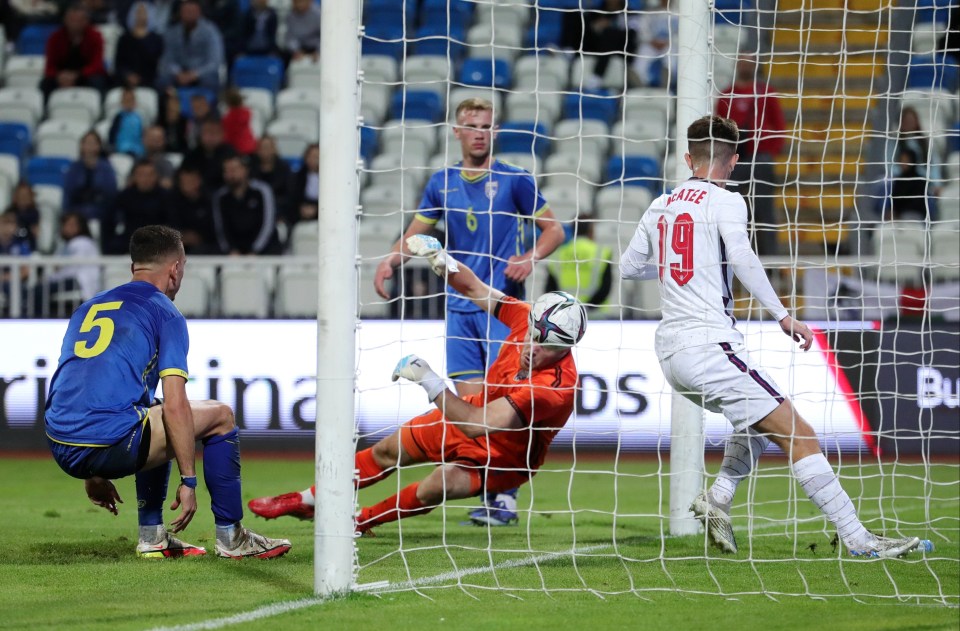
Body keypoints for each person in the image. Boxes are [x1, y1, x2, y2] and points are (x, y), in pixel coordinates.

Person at [619, 114, 921, 558]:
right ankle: (859, 539)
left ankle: (719, 496)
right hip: (709, 345)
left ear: (688, 157)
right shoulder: (726, 200)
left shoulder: (659, 204)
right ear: (735, 161)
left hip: (670, 352)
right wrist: (782, 314)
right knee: (800, 433)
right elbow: (742, 255)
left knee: (757, 419)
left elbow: (628, 268)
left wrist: (678, 270)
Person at [248, 234, 587, 534]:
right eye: (532, 336)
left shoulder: (554, 388)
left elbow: (475, 428)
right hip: (471, 412)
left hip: (506, 458)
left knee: (437, 485)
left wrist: (429, 379)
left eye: (546, 347)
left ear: (566, 348)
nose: (533, 347)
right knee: (385, 451)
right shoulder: (523, 317)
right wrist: (442, 260)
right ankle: (309, 500)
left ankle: (361, 521)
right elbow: (474, 289)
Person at [373, 98, 566, 526]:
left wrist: (531, 257)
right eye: (471, 125)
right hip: (459, 311)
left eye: (486, 125)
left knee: (502, 406)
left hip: (501, 309)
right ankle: (488, 488)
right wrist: (390, 261)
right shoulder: (441, 183)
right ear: (456, 132)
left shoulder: (515, 180)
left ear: (495, 132)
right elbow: (415, 236)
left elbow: (555, 230)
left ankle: (505, 498)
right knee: (471, 404)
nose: (479, 131)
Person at [44, 225, 291, 559]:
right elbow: (177, 405)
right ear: (175, 269)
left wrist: (91, 472)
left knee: (150, 411)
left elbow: (81, 388)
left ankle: (153, 536)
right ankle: (231, 538)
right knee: (220, 416)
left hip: (60, 443)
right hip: (108, 443)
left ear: (135, 267)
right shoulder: (164, 312)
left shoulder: (87, 308)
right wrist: (188, 482)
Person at [715, 54, 785, 257]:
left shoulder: (766, 92)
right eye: (742, 61)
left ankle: (771, 261)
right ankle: (729, 257)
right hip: (734, 162)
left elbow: (779, 125)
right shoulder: (726, 95)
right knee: (731, 211)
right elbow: (719, 129)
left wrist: (770, 151)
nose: (746, 64)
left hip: (761, 159)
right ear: (737, 64)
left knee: (765, 211)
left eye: (749, 61)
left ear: (755, 65)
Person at [27, 212, 100, 317]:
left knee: (39, 290)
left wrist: (52, 277)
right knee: (37, 289)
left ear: (81, 226)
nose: (67, 228)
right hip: (69, 280)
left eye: (72, 225)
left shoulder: (82, 243)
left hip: (79, 282)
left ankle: (36, 319)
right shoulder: (65, 245)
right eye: (65, 225)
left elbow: (71, 270)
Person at [211, 155, 281, 255]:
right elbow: (220, 228)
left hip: (263, 249)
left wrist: (255, 250)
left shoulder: (262, 191)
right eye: (226, 171)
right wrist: (231, 250)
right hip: (233, 251)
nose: (230, 174)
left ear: (245, 170)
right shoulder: (220, 197)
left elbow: (267, 224)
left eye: (234, 169)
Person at [101, 160, 174, 254]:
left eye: (150, 175)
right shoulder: (124, 196)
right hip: (131, 239)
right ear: (134, 177)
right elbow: (108, 220)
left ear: (156, 177)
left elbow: (172, 222)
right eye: (141, 174)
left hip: (159, 240)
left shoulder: (166, 197)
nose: (146, 179)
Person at [545, 217, 613, 314]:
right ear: (591, 231)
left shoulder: (558, 253)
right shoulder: (602, 252)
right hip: (596, 314)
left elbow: (550, 289)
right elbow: (606, 287)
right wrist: (586, 308)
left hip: (564, 314)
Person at [40, 4, 108, 100]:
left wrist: (77, 75)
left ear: (86, 21)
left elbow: (97, 65)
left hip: (85, 75)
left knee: (98, 81)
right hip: (62, 74)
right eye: (71, 20)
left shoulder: (95, 36)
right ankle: (46, 111)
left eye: (78, 21)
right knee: (46, 83)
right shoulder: (55, 38)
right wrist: (59, 76)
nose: (74, 24)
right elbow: (49, 67)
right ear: (65, 20)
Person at [156, 0, 224, 93]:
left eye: (192, 11)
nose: (189, 14)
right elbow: (167, 59)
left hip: (201, 73)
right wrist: (178, 73)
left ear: (199, 12)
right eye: (186, 11)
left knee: (211, 83)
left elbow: (214, 61)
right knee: (162, 82)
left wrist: (195, 74)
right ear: (180, 13)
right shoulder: (172, 32)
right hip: (178, 73)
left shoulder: (210, 31)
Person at [63, 131, 118, 221]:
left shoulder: (107, 168)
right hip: (77, 212)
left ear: (98, 146)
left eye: (93, 143)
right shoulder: (74, 168)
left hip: (101, 212)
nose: (89, 146)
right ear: (82, 146)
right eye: (87, 143)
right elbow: (68, 193)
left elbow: (111, 194)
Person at [114, 1, 164, 89]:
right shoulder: (124, 38)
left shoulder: (157, 40)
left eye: (144, 12)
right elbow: (119, 63)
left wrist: (141, 78)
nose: (140, 16)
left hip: (149, 80)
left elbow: (157, 63)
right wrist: (128, 75)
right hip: (125, 80)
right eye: (138, 12)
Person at [171, 164, 217, 254]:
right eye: (184, 181)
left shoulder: (210, 200)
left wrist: (199, 237)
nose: (187, 184)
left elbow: (214, 228)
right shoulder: (173, 200)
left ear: (199, 181)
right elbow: (171, 224)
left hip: (206, 245)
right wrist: (183, 236)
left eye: (190, 181)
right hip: (179, 244)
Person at [182, 117, 236, 193]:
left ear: (222, 134)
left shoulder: (230, 153)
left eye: (214, 133)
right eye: (207, 132)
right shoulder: (193, 154)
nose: (210, 137)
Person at [249, 136, 294, 224]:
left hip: (279, 213)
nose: (265, 151)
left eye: (268, 147)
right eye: (262, 148)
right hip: (255, 213)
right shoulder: (251, 168)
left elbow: (290, 195)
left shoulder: (284, 168)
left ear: (274, 149)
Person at [108, 88, 145, 156]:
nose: (128, 102)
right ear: (122, 102)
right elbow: (112, 134)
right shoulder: (118, 117)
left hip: (138, 150)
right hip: (121, 150)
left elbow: (142, 135)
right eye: (126, 100)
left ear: (135, 102)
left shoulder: (138, 118)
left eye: (131, 100)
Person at [5, 181, 41, 251]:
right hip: (10, 248)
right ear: (15, 196)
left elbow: (35, 231)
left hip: (29, 247)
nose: (23, 198)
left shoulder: (34, 213)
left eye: (26, 195)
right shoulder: (9, 211)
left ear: (31, 197)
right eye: (20, 195)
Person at [221, 88, 257, 156]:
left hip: (234, 149)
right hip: (249, 146)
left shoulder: (227, 119)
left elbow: (228, 136)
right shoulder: (247, 113)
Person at [289, 142, 319, 225]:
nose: (314, 160)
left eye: (317, 157)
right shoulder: (297, 177)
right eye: (311, 156)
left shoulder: (329, 179)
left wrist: (316, 210)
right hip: (299, 217)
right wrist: (301, 209)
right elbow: (292, 198)